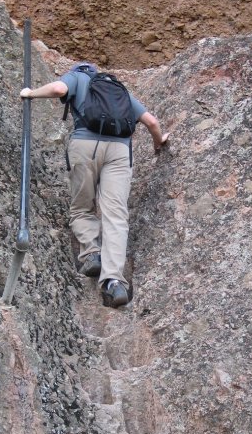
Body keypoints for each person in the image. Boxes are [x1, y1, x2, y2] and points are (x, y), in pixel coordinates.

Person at [21, 62, 169, 308]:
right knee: (116, 215)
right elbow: (152, 122)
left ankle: (91, 253)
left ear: (79, 70)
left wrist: (30, 93)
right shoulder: (118, 90)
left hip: (86, 146)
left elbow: (58, 89)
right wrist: (157, 143)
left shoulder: (77, 78)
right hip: (120, 152)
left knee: (82, 206)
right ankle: (114, 282)